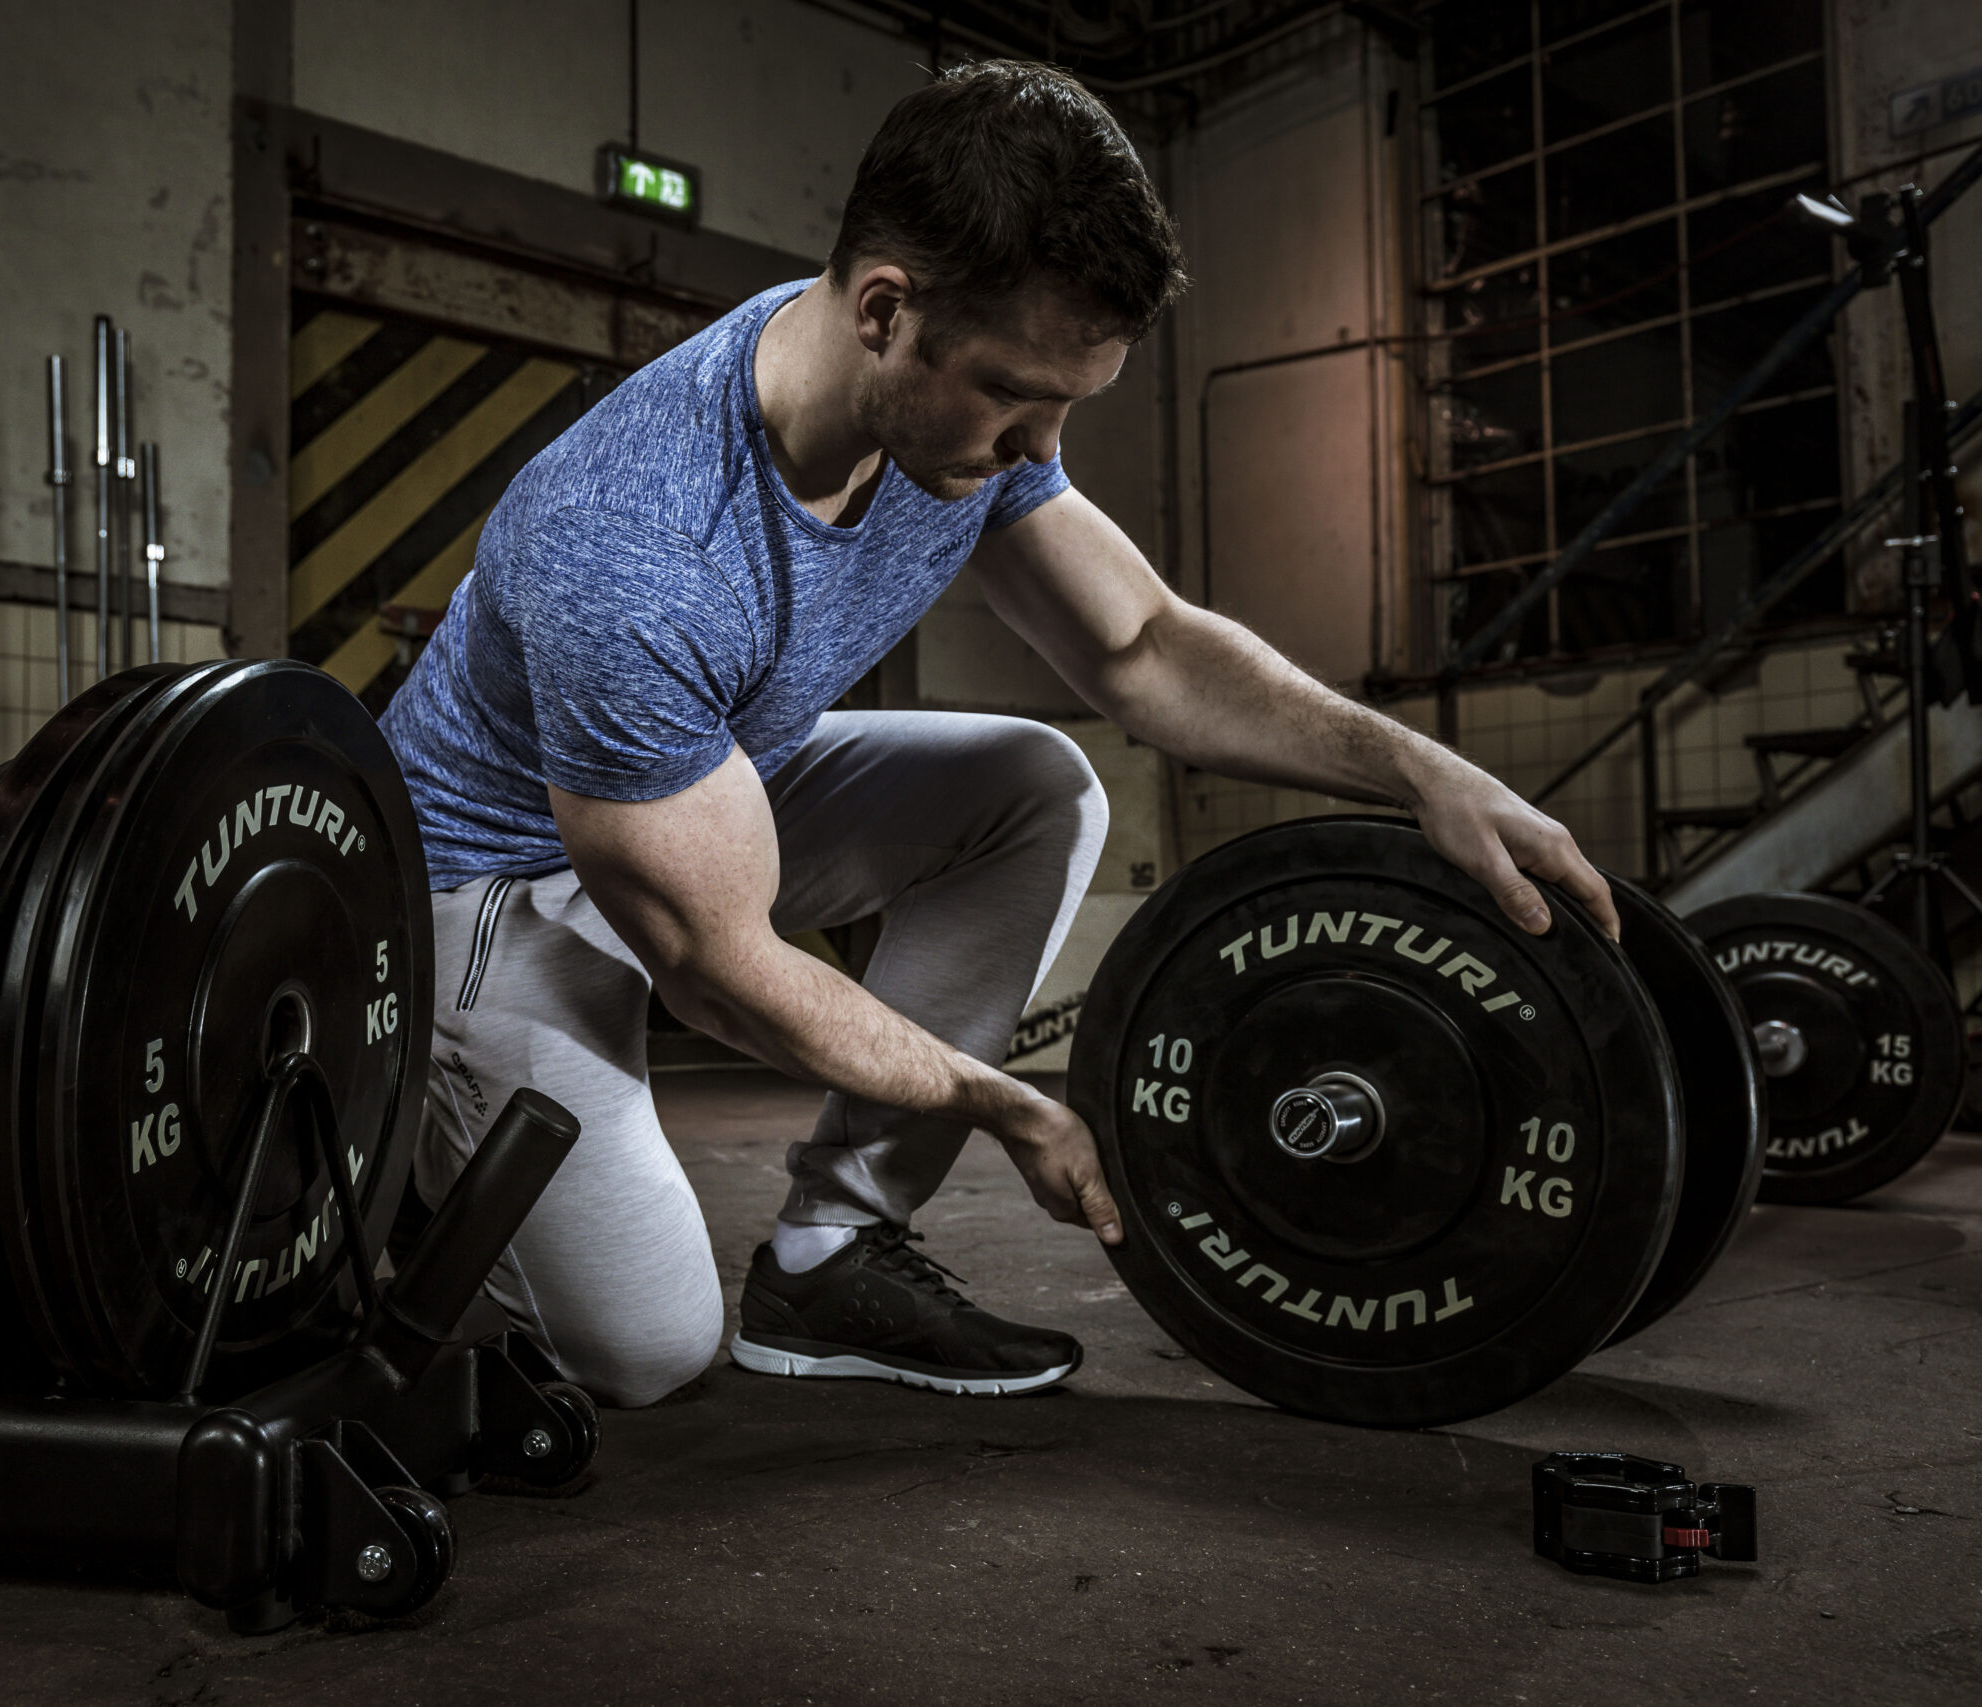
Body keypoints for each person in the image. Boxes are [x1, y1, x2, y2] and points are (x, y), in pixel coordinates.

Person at [379, 60, 1615, 1408]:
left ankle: (832, 1256)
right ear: (884, 310)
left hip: (701, 806)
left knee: (1037, 785)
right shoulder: (632, 544)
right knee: (644, 1351)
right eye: (1020, 395)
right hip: (496, 888)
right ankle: (395, 1155)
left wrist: (1420, 770)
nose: (1041, 447)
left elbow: (1143, 648)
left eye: (1069, 404)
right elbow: (718, 974)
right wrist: (997, 1099)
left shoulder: (944, 412)